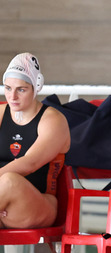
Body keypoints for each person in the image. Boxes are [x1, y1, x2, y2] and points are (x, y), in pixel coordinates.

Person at [0, 53, 70, 229]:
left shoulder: (53, 121)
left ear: (36, 87)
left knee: (9, 181)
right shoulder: (1, 113)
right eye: (8, 88)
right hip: (3, 204)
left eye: (21, 89)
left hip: (39, 205)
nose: (12, 97)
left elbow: (30, 163)